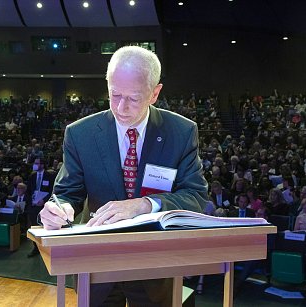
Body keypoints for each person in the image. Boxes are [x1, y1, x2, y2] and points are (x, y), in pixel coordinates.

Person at [40, 46, 208, 307]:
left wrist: (143, 205)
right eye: (114, 95)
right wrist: (58, 208)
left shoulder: (182, 132)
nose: (121, 107)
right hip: (97, 264)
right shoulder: (80, 134)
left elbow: (196, 196)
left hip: (155, 266)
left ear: (155, 93)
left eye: (133, 98)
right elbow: (66, 194)